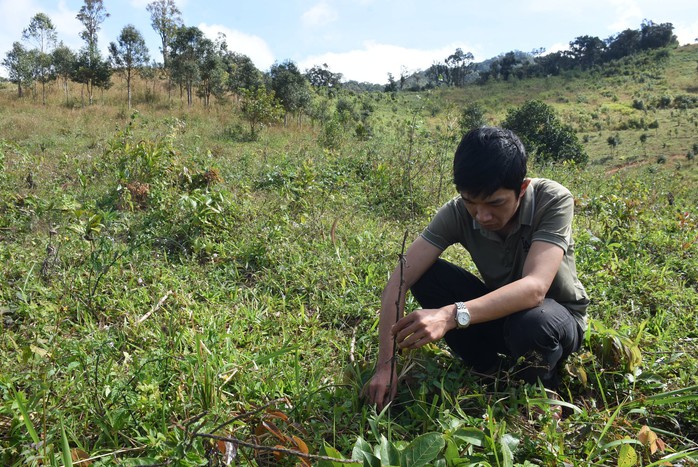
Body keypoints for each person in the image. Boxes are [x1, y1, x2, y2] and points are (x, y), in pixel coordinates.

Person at [364, 126, 589, 411]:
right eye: (471, 202)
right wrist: (386, 365)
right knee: (427, 276)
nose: (482, 216)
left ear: (522, 188)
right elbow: (398, 283)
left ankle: (542, 391)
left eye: (495, 203)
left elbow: (534, 289)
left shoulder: (552, 200)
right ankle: (488, 369)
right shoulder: (457, 212)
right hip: (499, 316)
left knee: (535, 321)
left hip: (556, 320)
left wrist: (449, 315)